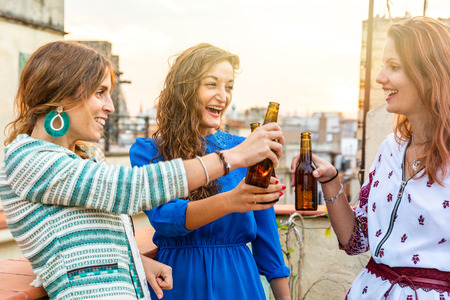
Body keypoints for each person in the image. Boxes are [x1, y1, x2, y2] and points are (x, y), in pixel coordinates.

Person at [0, 41, 285, 300]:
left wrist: (135, 260)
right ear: (62, 93)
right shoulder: (28, 160)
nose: (110, 106)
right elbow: (131, 188)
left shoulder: (83, 158)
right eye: (100, 92)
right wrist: (233, 158)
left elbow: (86, 239)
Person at [291, 17, 450, 299]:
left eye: (394, 67)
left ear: (430, 75)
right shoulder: (390, 148)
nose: (379, 77)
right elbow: (356, 240)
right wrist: (330, 181)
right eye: (382, 65)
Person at [130, 43, 291, 300]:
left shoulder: (244, 148)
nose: (223, 96)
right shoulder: (148, 152)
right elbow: (165, 218)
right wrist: (231, 201)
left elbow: (267, 239)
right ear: (184, 90)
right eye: (211, 84)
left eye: (229, 87)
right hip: (179, 283)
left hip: (239, 282)